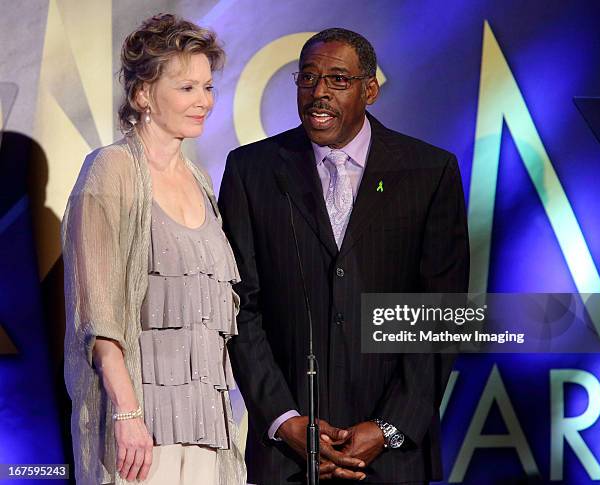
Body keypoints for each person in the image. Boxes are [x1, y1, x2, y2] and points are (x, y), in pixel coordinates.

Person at [218, 28, 469, 484]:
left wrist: (389, 426)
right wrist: (283, 418)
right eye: (308, 78)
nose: (318, 93)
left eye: (337, 79)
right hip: (287, 456)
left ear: (369, 90)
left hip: (391, 457)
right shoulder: (251, 170)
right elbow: (240, 306)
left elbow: (441, 314)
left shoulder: (428, 172)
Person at [62, 14, 246, 485]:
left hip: (208, 429)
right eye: (187, 88)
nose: (203, 101)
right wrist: (127, 416)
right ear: (143, 94)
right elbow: (97, 313)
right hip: (141, 435)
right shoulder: (111, 171)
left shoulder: (201, 181)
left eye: (207, 88)